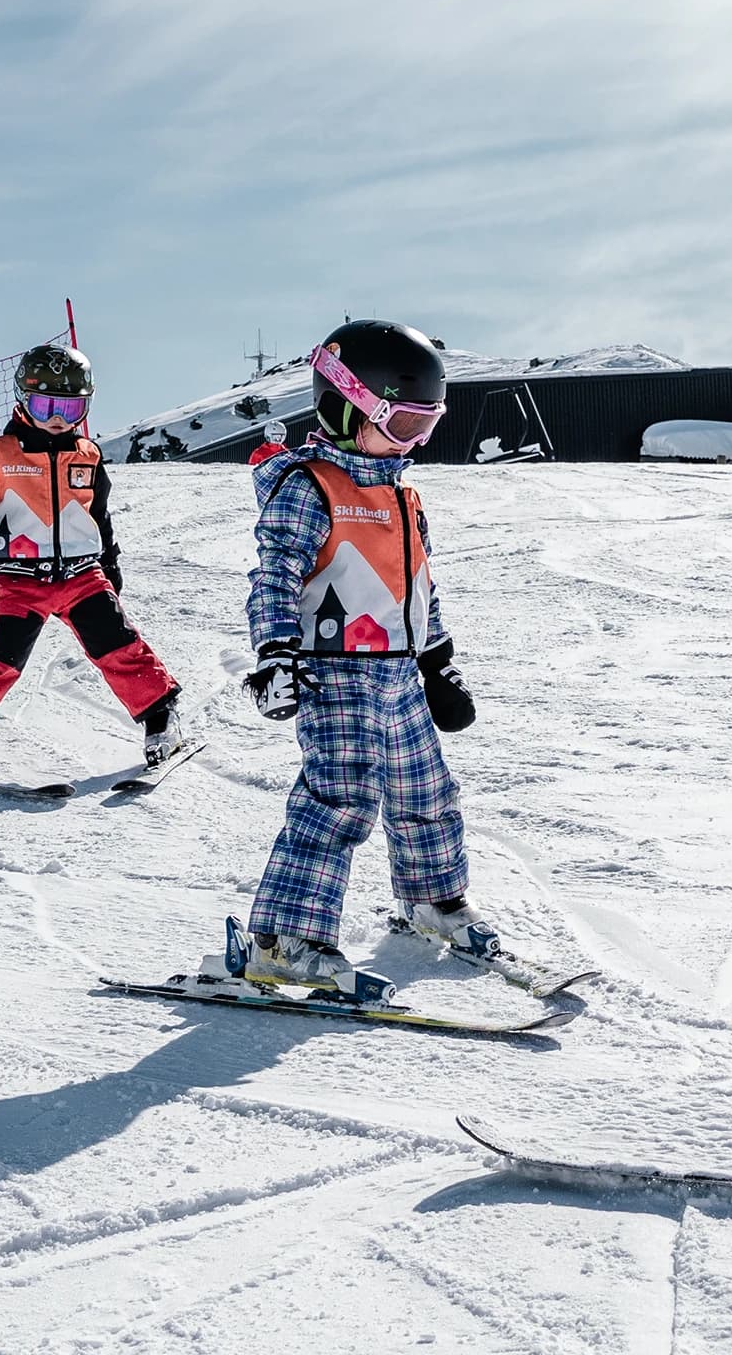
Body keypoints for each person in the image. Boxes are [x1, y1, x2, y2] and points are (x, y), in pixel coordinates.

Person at [239, 319, 488, 1000]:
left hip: (399, 676)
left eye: (427, 426)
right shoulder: (309, 487)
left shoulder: (403, 496)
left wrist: (438, 664)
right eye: (403, 423)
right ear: (349, 404)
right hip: (335, 673)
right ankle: (287, 938)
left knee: (425, 793)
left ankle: (434, 901)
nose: (415, 442)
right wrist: (275, 654)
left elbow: (419, 587)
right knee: (340, 800)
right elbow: (275, 577)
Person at [0, 344, 184, 774]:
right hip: (22, 580)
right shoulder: (1, 452)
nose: (57, 417)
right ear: (24, 400)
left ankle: (162, 720)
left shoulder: (88, 456)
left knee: (116, 645)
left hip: (83, 575)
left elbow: (99, 517)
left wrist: (110, 568)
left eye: (71, 407)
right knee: (2, 657)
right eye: (45, 404)